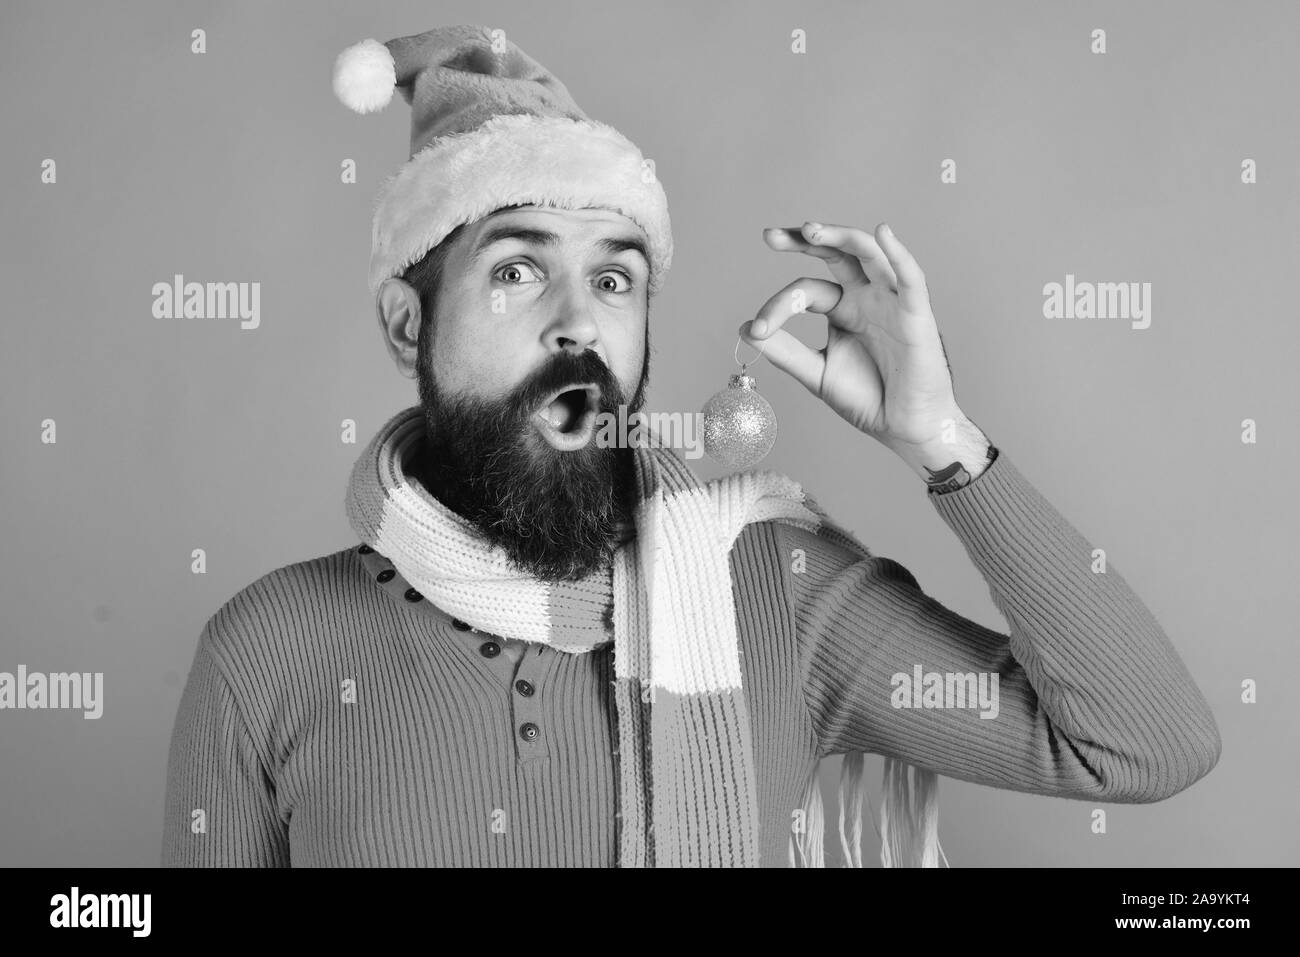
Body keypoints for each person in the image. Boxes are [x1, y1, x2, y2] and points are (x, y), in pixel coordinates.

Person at [161, 24, 1220, 868]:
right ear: (407, 323)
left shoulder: (776, 592)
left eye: (614, 278)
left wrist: (945, 443)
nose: (578, 321)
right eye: (518, 270)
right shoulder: (268, 652)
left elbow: (1140, 746)